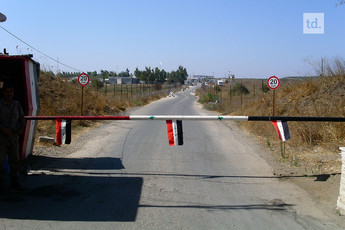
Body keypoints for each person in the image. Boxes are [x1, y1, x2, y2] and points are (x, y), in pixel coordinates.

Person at [0, 82, 25, 191]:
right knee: (0, 160)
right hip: (1, 136)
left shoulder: (16, 105)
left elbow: (21, 118)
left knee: (15, 158)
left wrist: (21, 128)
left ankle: (15, 181)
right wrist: (3, 129)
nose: (9, 94)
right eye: (7, 92)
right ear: (3, 93)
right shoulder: (0, 104)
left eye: (11, 92)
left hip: (13, 136)